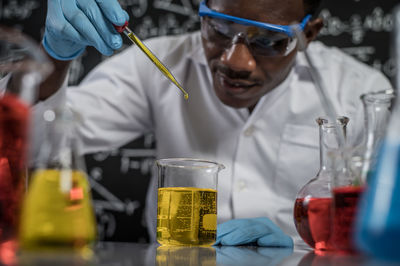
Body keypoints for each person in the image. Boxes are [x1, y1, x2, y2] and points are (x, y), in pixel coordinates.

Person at [6, 0, 392, 246]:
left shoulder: (357, 91)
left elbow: (380, 233)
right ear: (202, 12)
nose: (235, 62)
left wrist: (294, 248)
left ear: (308, 33)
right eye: (218, 30)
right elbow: (32, 143)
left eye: (269, 42)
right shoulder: (157, 63)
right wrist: (54, 57)